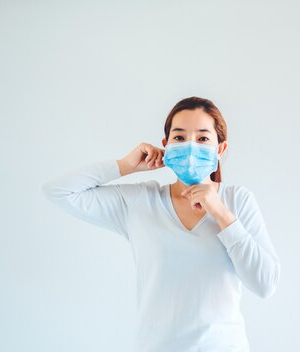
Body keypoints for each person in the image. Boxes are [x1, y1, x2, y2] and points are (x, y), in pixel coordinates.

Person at [41, 96, 281, 352]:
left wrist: (221, 213)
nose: (190, 146)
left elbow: (265, 283)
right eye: (179, 138)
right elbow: (57, 191)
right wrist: (124, 167)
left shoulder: (237, 201)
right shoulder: (140, 202)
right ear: (166, 146)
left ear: (219, 149)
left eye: (202, 138)